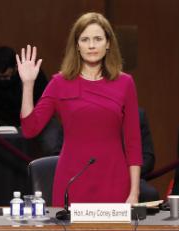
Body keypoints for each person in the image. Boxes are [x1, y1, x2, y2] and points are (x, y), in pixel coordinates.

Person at [16, 12, 142, 206]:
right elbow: (30, 128)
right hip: (72, 180)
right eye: (85, 39)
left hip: (114, 180)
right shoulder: (60, 83)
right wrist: (28, 85)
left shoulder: (125, 83)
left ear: (108, 43)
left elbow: (133, 142)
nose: (91, 45)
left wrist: (134, 192)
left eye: (98, 39)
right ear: (77, 45)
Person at [0, 46, 49, 127]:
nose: (2, 80)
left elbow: (43, 105)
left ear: (16, 67)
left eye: (5, 77)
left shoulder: (32, 75)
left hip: (33, 122)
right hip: (4, 126)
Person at [138, 107, 159, 202]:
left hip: (129, 176)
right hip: (96, 175)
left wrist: (130, 174)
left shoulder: (138, 115)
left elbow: (148, 158)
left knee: (150, 194)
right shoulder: (91, 112)